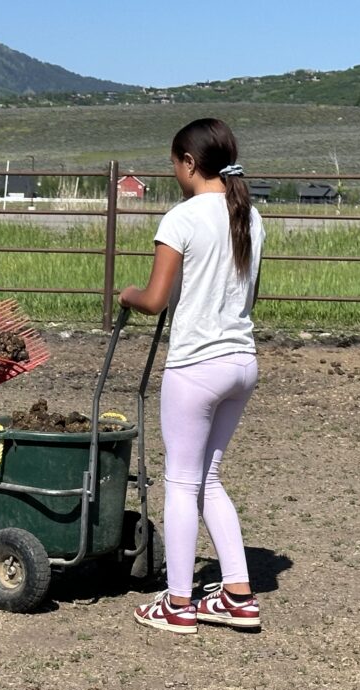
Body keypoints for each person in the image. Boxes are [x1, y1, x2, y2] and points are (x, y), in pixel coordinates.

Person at [120, 117, 265, 634]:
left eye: (174, 163)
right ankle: (238, 594)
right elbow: (246, 293)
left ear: (188, 163)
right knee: (210, 479)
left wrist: (127, 294)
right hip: (241, 363)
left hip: (196, 366)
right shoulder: (249, 214)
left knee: (180, 482)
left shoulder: (181, 218)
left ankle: (178, 602)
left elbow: (155, 298)